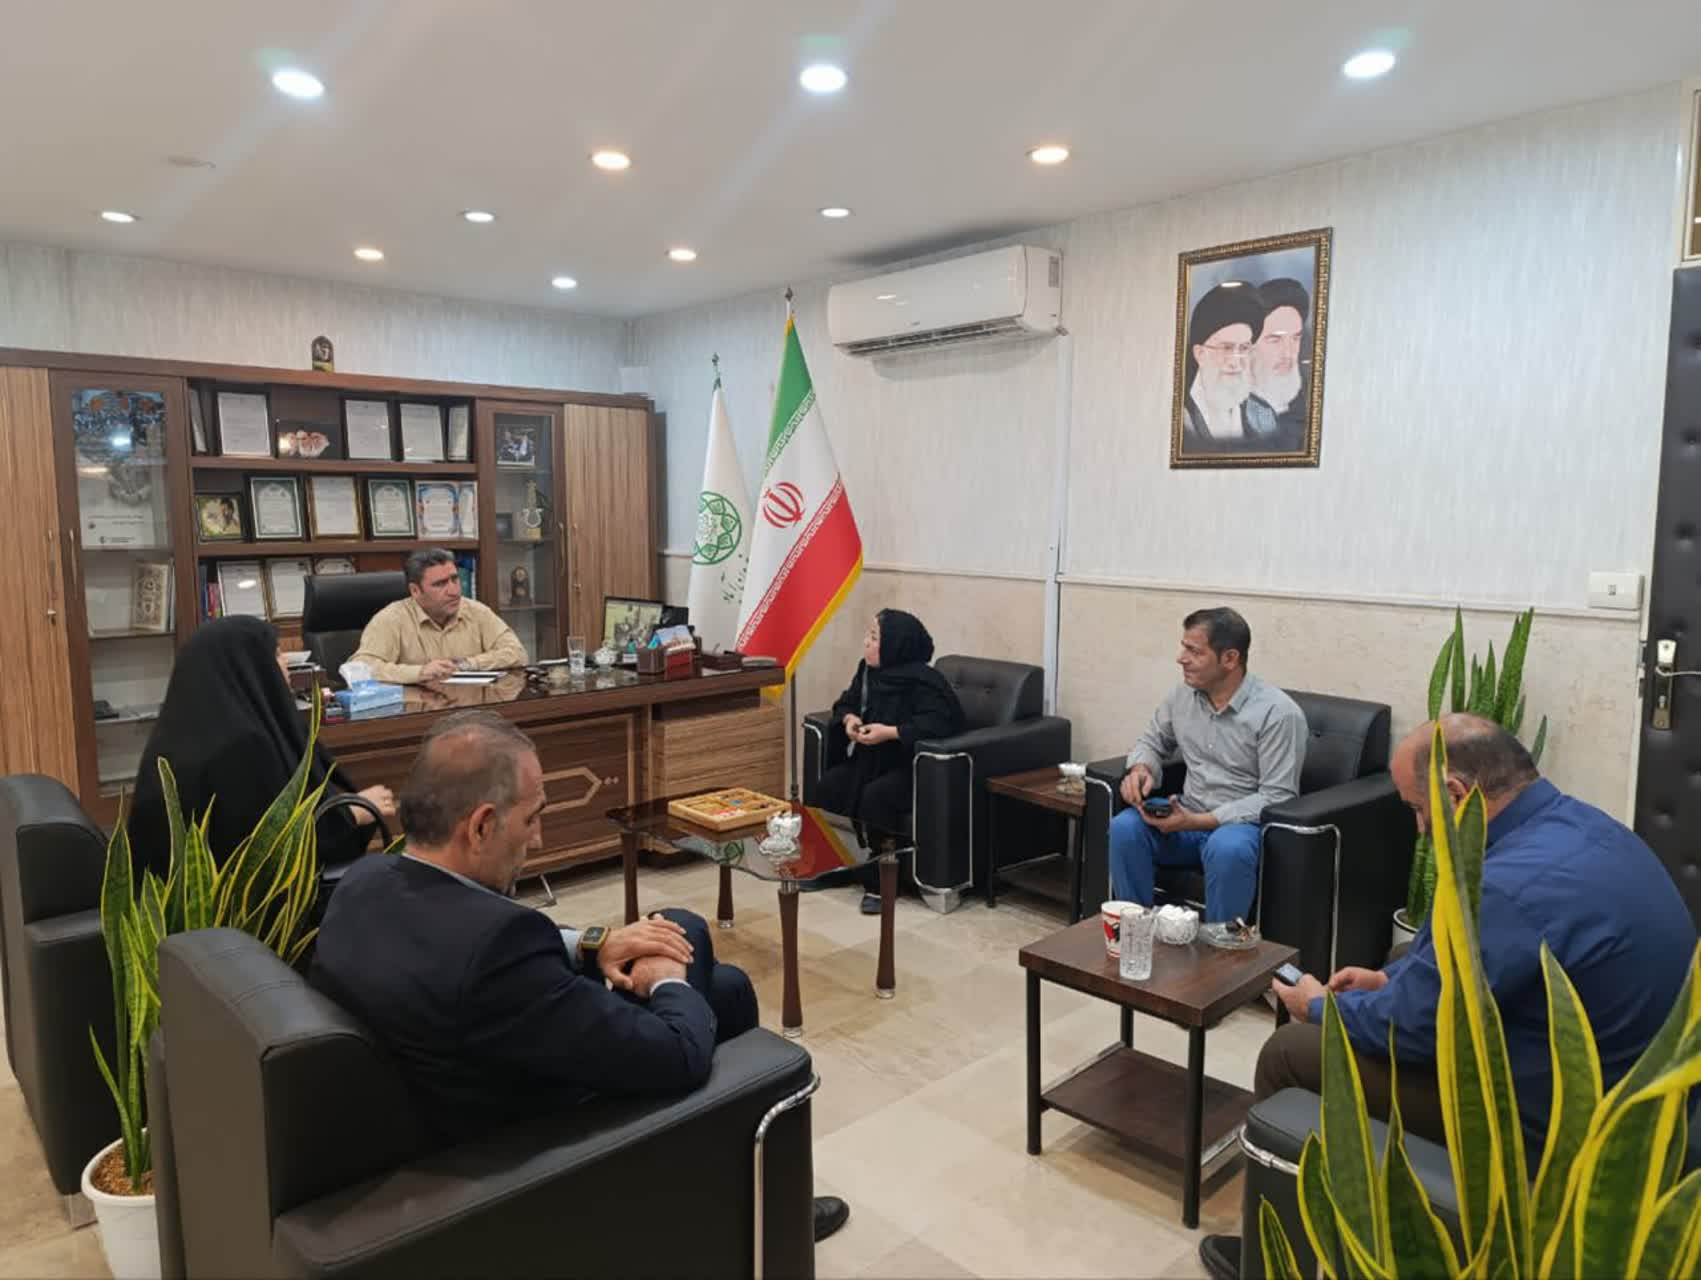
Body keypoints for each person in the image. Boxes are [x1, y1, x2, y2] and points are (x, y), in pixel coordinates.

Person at [310, 711, 849, 1241]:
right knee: (682, 934)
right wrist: (666, 979)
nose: (539, 839)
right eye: (532, 819)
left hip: (480, 1067)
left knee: (725, 988)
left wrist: (596, 943)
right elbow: (676, 1057)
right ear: (481, 826)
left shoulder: (365, 881)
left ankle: (759, 1199)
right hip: (545, 1129)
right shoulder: (495, 953)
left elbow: (489, 946)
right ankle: (774, 1213)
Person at [1198, 714, 1697, 1280]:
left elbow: (1412, 1031)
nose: (1420, 831)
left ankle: (1271, 1255)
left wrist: (1315, 1005)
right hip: (1650, 1103)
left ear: (1457, 794)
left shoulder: (1498, 885)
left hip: (1559, 1130)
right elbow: (1489, 968)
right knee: (1396, 961)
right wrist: (1391, 983)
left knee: (1291, 1051)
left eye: (1418, 809)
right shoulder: (1586, 826)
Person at [127, 616, 396, 880]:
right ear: (247, 666)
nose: (286, 662)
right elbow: (271, 851)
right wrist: (354, 813)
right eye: (276, 654)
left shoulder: (186, 730)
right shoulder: (239, 748)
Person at [1110, 608, 1305, 923]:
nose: (1181, 659)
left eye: (1194, 651)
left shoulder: (1278, 713)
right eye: (1183, 647)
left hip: (1239, 828)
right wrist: (1141, 769)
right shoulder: (1182, 695)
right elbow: (1152, 741)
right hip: (1186, 815)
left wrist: (1199, 821)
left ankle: (1220, 949)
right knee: (1125, 828)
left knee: (1228, 849)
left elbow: (1277, 795)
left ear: (1229, 659)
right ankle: (1134, 931)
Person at [814, 610, 964, 914]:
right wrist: (850, 720)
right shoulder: (868, 672)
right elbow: (846, 702)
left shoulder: (925, 682)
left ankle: (881, 883)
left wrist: (892, 733)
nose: (866, 642)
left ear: (895, 645)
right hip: (870, 759)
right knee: (829, 785)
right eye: (868, 635)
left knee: (877, 796)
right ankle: (834, 864)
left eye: (874, 637)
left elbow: (940, 725)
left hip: (910, 767)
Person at [349, 547, 527, 684]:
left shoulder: (476, 611)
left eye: (454, 579)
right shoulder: (391, 619)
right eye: (440, 584)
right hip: (415, 713)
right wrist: (419, 672)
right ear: (415, 590)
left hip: (472, 709)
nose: (454, 591)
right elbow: (360, 667)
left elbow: (517, 653)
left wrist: (467, 664)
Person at [1179, 283, 1273, 454]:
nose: (1235, 362)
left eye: (1244, 348)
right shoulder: (1179, 416)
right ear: (1200, 354)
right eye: (1226, 348)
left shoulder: (1263, 415)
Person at [1248, 277, 1310, 451]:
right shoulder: (1227, 410)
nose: (1288, 353)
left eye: (1295, 339)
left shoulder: (1308, 402)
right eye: (1275, 340)